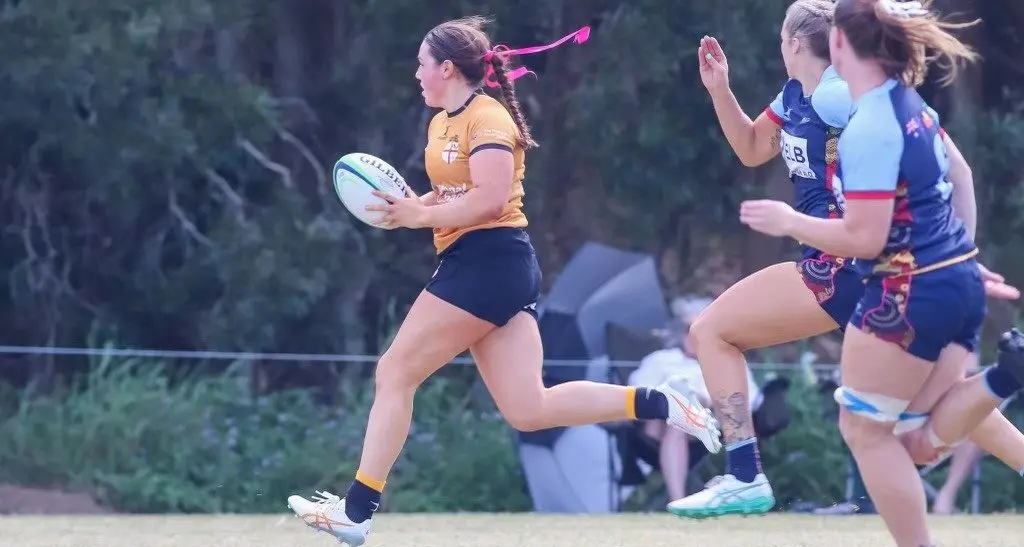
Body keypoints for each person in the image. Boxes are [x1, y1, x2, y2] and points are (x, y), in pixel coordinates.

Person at [283, 16, 720, 547]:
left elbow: (489, 199)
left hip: (487, 262)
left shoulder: (487, 119)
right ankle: (659, 403)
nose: (415, 73)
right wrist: (412, 207)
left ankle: (356, 512)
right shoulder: (442, 121)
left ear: (446, 67)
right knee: (529, 408)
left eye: (421, 63)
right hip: (489, 265)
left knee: (394, 370)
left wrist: (418, 219)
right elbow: (452, 195)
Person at [669, 0, 1024, 519]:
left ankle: (744, 475)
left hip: (843, 262)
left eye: (780, 36)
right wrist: (720, 90)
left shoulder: (839, 95)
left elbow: (952, 166)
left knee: (711, 333)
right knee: (945, 410)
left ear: (793, 43)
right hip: (858, 263)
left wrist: (953, 253)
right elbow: (750, 147)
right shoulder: (796, 95)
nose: (779, 44)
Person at [629, 297, 763, 501]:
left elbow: (749, 402)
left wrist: (708, 401)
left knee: (683, 415)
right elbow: (636, 392)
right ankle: (677, 499)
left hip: (708, 427)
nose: (694, 336)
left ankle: (676, 499)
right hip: (656, 426)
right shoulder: (661, 359)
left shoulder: (729, 361)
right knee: (672, 409)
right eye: (689, 329)